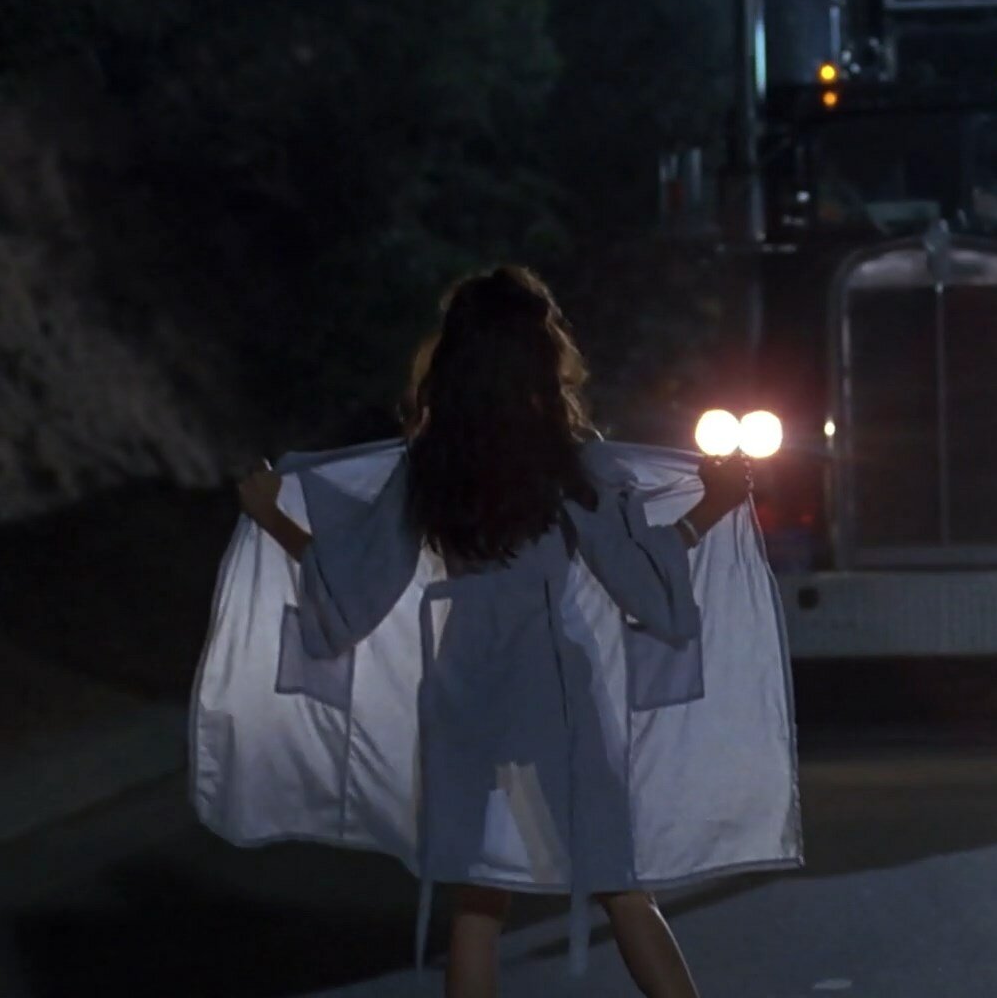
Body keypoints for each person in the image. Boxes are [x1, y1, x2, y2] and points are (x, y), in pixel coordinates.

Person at [234, 266, 755, 998]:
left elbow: (354, 586)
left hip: (463, 680)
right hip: (552, 681)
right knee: (620, 881)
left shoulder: (431, 464)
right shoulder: (570, 461)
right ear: (540, 356)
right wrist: (711, 509)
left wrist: (273, 517)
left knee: (476, 904)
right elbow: (636, 576)